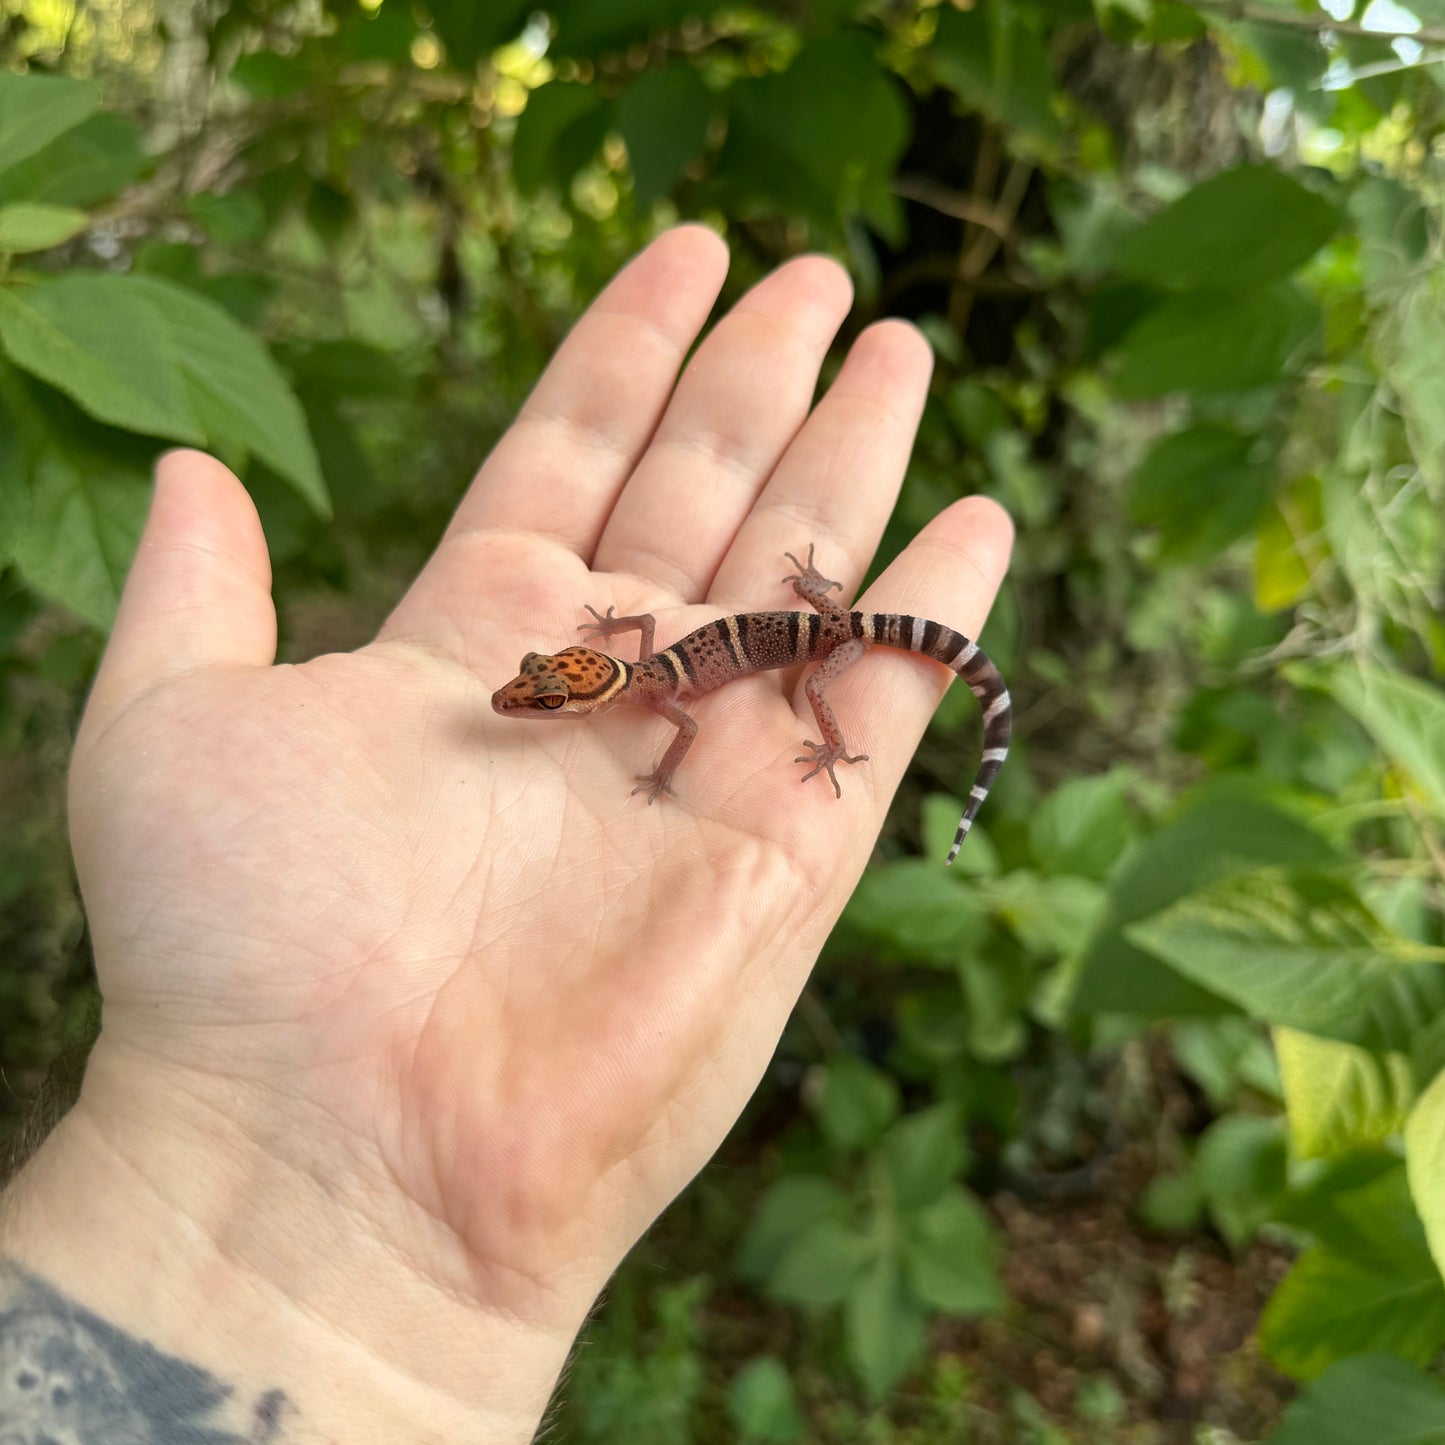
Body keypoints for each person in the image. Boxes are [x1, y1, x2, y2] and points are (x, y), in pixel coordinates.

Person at [0, 225, 1011, 1442]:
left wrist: (794, 706)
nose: (531, 696)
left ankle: (876, 738)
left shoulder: (675, 695)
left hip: (833, 638)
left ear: (590, 695)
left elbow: (681, 723)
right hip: (805, 617)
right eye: (543, 683)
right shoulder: (639, 666)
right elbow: (642, 654)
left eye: (545, 691)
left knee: (814, 696)